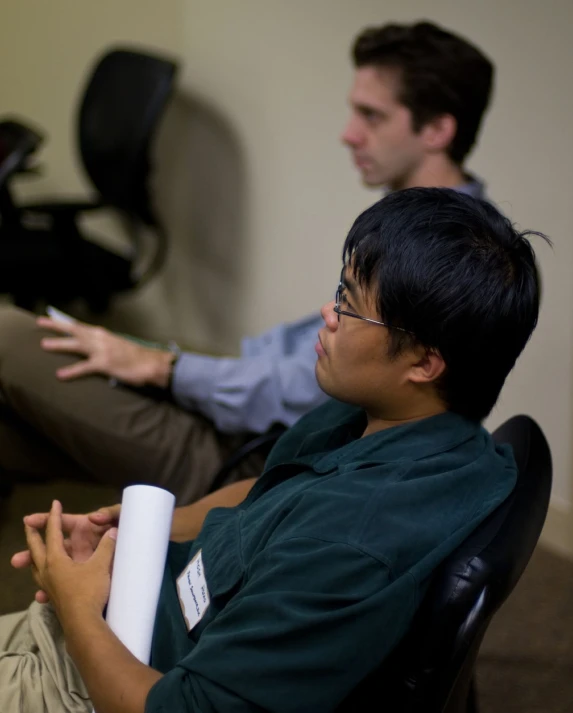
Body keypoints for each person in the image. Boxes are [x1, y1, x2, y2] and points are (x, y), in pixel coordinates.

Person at [3, 188, 546, 713]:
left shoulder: (350, 544)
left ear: (424, 363)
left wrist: (76, 606)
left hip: (92, 682)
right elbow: (270, 491)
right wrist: (143, 533)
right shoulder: (408, 425)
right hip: (132, 621)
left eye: (349, 306)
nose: (327, 315)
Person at [0, 21, 495, 504]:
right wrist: (172, 367)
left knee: (7, 334)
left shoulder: (449, 256)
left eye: (372, 116)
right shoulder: (422, 225)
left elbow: (302, 391)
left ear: (436, 130)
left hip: (261, 459)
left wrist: (165, 369)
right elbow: (296, 362)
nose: (348, 134)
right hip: (250, 423)